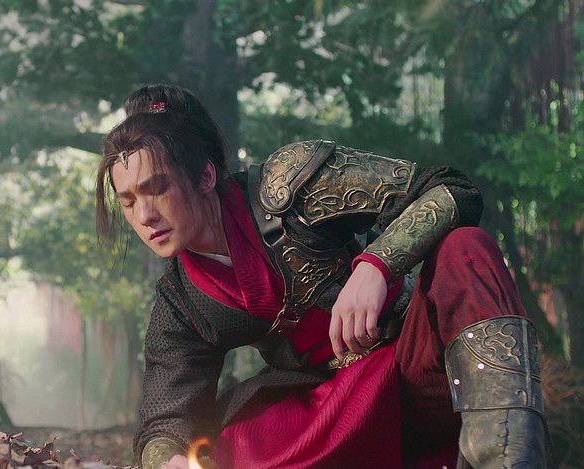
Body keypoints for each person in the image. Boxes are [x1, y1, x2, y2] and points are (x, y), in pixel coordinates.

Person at [96, 84, 555, 469]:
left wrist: (375, 266)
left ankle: (510, 457)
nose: (145, 216)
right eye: (128, 201)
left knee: (466, 248)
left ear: (205, 177)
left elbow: (452, 190)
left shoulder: (290, 183)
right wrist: (169, 460)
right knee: (230, 450)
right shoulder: (179, 299)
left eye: (158, 188)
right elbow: (165, 420)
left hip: (415, 359)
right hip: (337, 407)